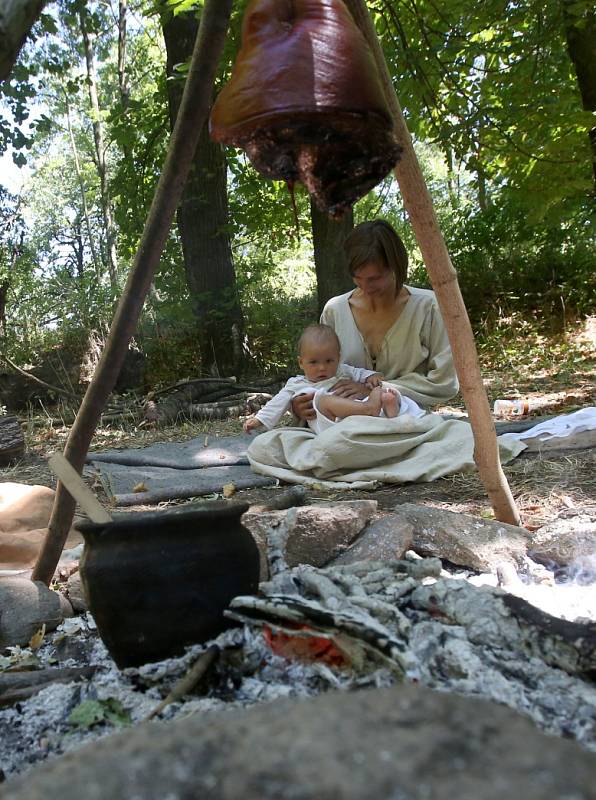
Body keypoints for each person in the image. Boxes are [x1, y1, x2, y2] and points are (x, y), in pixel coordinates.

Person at [291, 219, 458, 423]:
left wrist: (379, 389)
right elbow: (319, 377)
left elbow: (444, 382)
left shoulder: (429, 307)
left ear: (395, 265)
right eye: (357, 278)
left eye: (375, 278)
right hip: (344, 425)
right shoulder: (334, 311)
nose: (365, 287)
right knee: (266, 447)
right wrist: (300, 406)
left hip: (406, 421)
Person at [244, 323, 423, 435]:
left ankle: (392, 413)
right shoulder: (296, 384)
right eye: (313, 362)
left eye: (329, 361)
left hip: (360, 417)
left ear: (338, 358)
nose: (322, 368)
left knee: (382, 391)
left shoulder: (343, 371)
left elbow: (363, 374)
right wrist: (260, 420)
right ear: (301, 362)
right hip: (331, 422)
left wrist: (373, 378)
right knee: (321, 398)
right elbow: (277, 404)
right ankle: (371, 408)